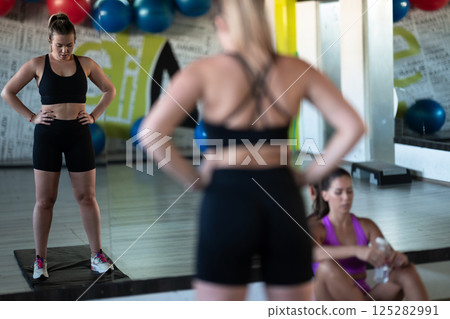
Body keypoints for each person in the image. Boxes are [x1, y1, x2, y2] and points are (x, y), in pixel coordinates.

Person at [139, 0, 365, 300]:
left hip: (226, 195)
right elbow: (353, 126)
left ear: (221, 23)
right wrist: (310, 175)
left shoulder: (205, 70)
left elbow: (150, 133)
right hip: (282, 192)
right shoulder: (296, 69)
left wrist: (194, 180)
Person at [1, 13, 116, 279]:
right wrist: (32, 116)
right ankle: (40, 259)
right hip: (48, 136)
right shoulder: (37, 64)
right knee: (45, 201)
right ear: (49, 41)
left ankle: (96, 255)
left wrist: (95, 115)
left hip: (78, 135)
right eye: (59, 45)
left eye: (69, 45)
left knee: (86, 197)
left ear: (75, 43)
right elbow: (7, 92)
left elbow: (109, 90)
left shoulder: (86, 64)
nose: (64, 51)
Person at [309, 168, 429, 301]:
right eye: (339, 192)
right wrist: (357, 250)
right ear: (325, 195)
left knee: (407, 271)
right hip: (330, 301)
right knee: (327, 267)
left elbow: (386, 253)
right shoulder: (317, 228)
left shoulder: (366, 225)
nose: (346, 198)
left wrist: (395, 258)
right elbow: (312, 253)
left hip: (362, 298)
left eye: (349, 191)